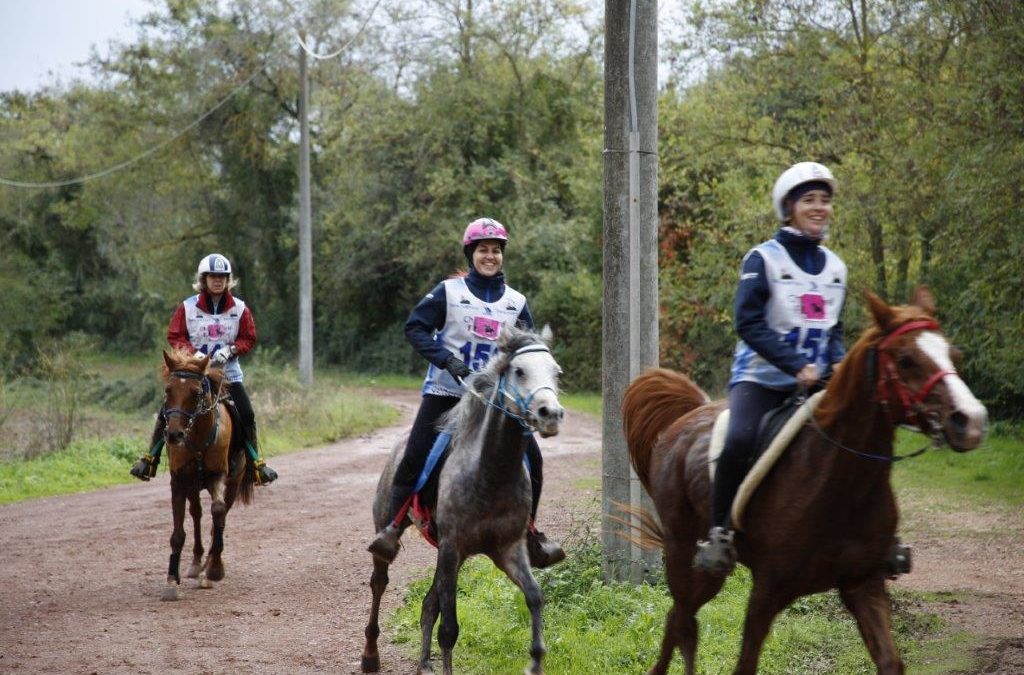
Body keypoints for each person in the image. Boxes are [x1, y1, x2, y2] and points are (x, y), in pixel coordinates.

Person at [367, 217, 565, 568]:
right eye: (483, 250)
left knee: (532, 457)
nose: (490, 256)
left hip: (497, 403)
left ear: (502, 255)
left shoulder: (516, 302)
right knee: (415, 454)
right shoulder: (448, 293)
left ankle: (530, 533)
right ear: (471, 254)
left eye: (496, 251)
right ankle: (393, 528)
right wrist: (447, 360)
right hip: (446, 393)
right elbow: (415, 328)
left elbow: (530, 349)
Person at [693, 162, 848, 575]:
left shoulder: (836, 268)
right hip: (760, 380)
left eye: (825, 201)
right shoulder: (762, 259)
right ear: (789, 207)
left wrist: (837, 359)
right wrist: (796, 365)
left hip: (820, 383)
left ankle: (867, 535)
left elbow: (833, 328)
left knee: (861, 434)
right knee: (740, 438)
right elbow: (748, 322)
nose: (819, 208)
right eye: (809, 200)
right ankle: (719, 533)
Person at [130, 253, 278, 486]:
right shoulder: (187, 308)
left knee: (246, 413)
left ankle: (255, 464)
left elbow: (248, 337)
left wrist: (231, 350)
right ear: (204, 279)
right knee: (167, 411)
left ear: (228, 280)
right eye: (213, 277)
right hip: (195, 372)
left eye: (222, 277)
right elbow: (175, 335)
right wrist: (194, 353)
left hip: (228, 373)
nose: (217, 281)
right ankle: (150, 459)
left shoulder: (240, 308)